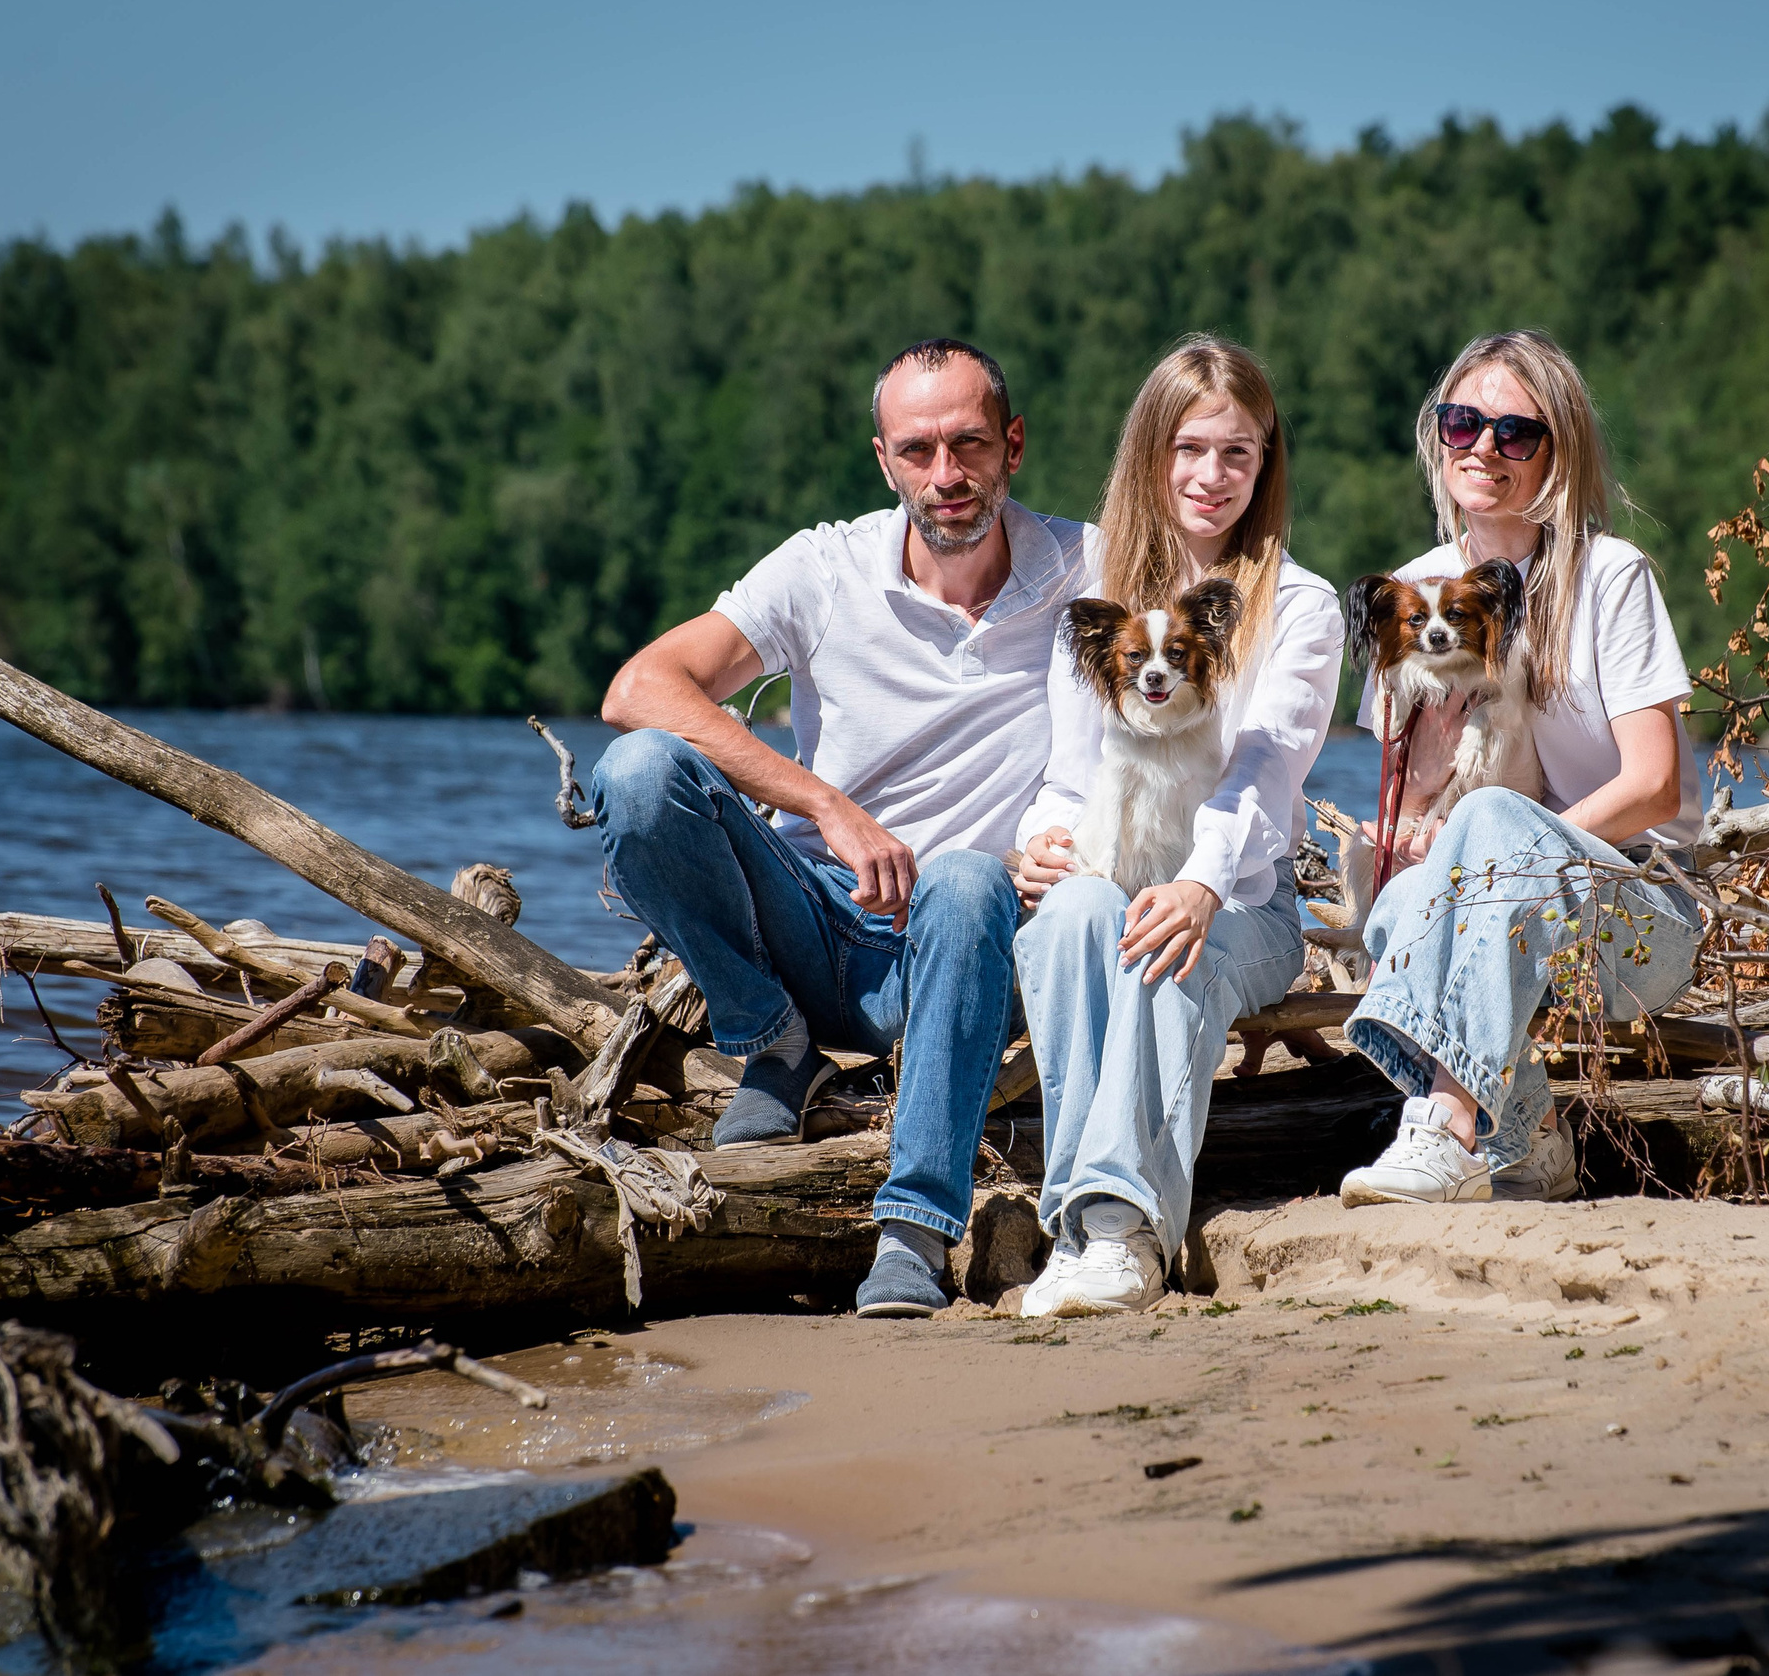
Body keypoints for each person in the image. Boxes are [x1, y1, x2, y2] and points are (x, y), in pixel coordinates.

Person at [589, 338, 1086, 1318]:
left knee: (966, 877)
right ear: (882, 458)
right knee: (640, 773)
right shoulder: (824, 567)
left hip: (975, 945)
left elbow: (1241, 606)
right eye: (917, 450)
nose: (945, 476)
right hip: (815, 920)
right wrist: (828, 804)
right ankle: (773, 1041)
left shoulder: (1088, 563)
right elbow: (638, 687)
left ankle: (911, 1232)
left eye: (969, 444)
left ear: (1014, 444)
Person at [1007, 336, 1343, 1316]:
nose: (1211, 474)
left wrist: (1199, 882)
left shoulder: (1301, 606)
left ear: (1265, 462)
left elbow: (1265, 766)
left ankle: (1113, 1232)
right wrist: (1042, 839)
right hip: (1118, 861)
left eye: (1237, 452)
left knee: (1165, 942)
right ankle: (1080, 1229)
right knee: (1070, 920)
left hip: (1244, 897)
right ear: (1153, 453)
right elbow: (1072, 768)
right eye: (1190, 448)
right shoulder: (1098, 590)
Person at [1337, 329, 1707, 1207]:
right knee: (1395, 900)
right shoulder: (1418, 593)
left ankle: (1445, 1131)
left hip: (1638, 917)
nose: (1484, 449)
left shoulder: (1610, 577)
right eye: (1462, 423)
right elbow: (1412, 799)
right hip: (1497, 907)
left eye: (1516, 432)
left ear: (1559, 449)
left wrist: (1500, 853)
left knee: (1490, 826)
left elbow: (1655, 786)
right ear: (1438, 434)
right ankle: (1530, 1134)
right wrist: (1456, 835)